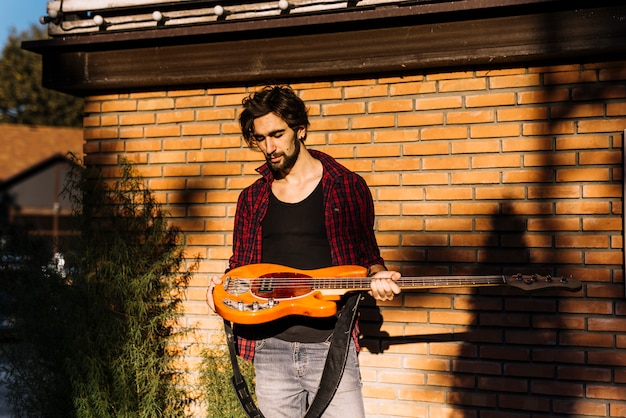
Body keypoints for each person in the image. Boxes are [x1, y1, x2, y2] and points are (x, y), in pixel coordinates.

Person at [206, 85, 401, 418]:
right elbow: (238, 268)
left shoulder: (347, 186)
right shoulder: (251, 198)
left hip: (331, 345)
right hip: (270, 348)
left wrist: (378, 277)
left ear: (300, 129)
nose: (269, 147)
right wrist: (219, 293)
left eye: (277, 134)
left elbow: (369, 258)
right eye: (260, 138)